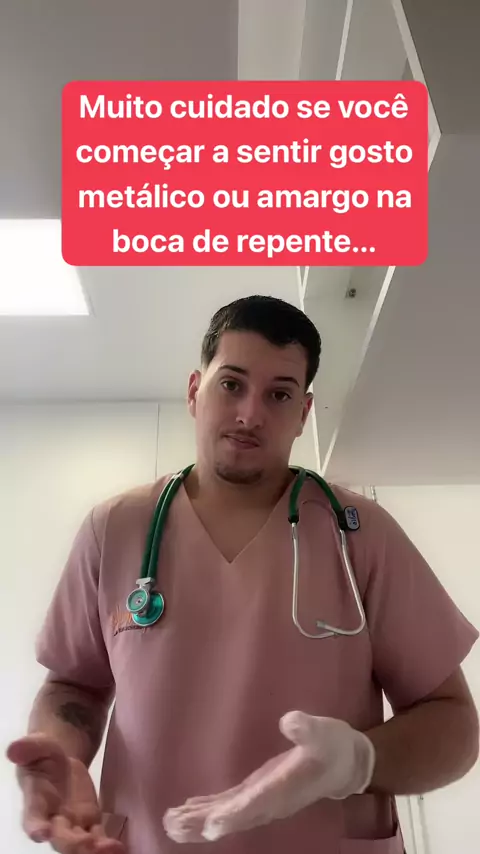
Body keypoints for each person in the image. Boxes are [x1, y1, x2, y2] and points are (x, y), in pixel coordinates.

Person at [7, 295, 479, 854]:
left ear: (303, 414)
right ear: (194, 391)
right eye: (231, 384)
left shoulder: (359, 533)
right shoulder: (115, 528)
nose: (250, 414)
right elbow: (73, 686)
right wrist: (60, 750)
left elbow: (454, 726)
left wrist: (359, 761)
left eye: (279, 394)